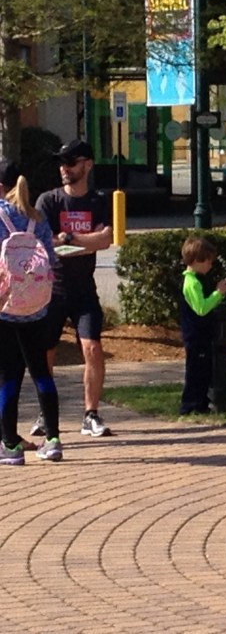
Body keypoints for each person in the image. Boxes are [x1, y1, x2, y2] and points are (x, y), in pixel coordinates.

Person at [32, 140, 113, 438]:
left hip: (84, 292)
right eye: (61, 163)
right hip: (51, 290)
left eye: (70, 162)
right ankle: (46, 413)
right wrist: (82, 241)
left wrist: (71, 239)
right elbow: (43, 242)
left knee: (92, 348)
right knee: (45, 352)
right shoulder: (48, 200)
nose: (64, 168)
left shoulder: (98, 201)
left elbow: (105, 239)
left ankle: (91, 414)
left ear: (87, 164)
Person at [0, 169, 64, 465]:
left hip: (5, 308)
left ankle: (10, 444)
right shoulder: (37, 217)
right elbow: (51, 258)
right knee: (41, 373)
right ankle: (53, 440)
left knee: (8, 375)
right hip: (36, 308)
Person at [179, 237, 226, 416]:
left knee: (205, 370)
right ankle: (189, 404)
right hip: (195, 335)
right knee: (196, 371)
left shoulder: (198, 279)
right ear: (196, 261)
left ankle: (201, 403)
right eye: (207, 261)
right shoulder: (192, 283)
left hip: (203, 334)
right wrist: (218, 293)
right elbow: (201, 308)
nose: (210, 264)